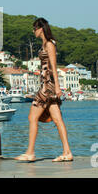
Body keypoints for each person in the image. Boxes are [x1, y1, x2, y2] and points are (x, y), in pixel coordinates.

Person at [15, 18, 73, 162]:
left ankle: (30, 153)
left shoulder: (49, 44)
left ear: (41, 28)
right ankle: (67, 152)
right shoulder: (45, 44)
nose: (33, 31)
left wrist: (58, 87)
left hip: (48, 86)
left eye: (35, 28)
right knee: (58, 119)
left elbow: (54, 66)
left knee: (32, 117)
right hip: (47, 84)